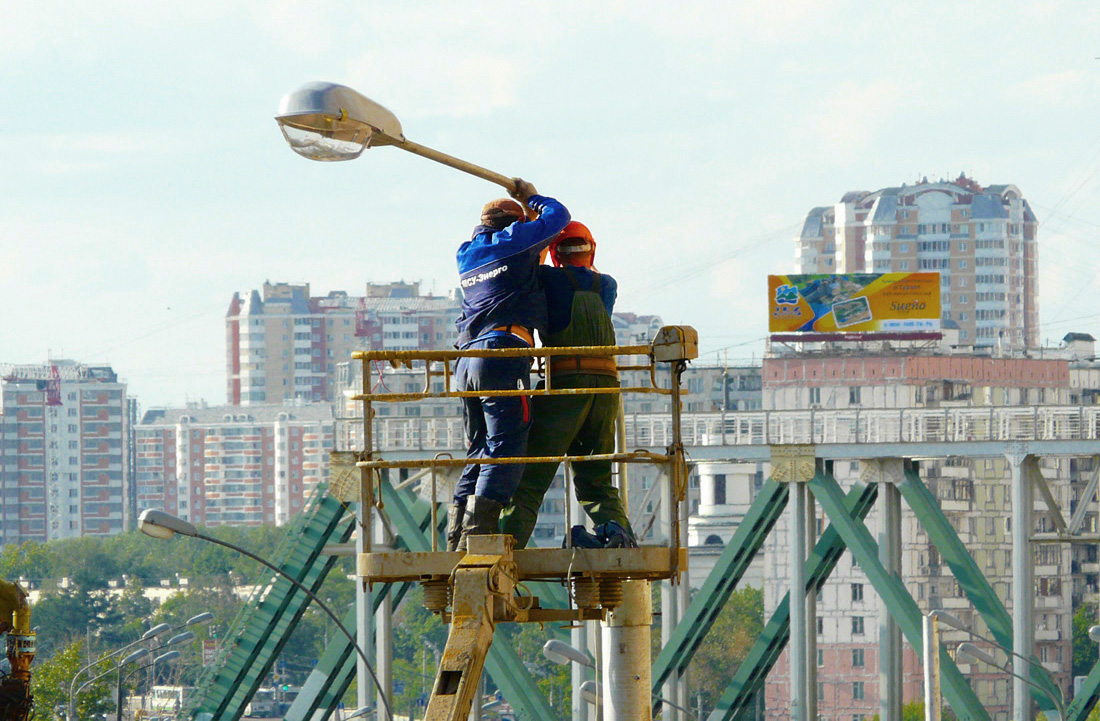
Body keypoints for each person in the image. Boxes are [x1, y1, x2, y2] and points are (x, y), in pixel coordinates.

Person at [448, 179, 571, 551]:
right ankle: (480, 533)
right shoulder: (513, 241)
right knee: (508, 444)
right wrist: (531, 197)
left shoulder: (467, 252)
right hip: (501, 354)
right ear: (512, 225)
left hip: (467, 361)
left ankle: (457, 533)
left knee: (479, 446)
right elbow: (560, 216)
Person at [499, 221, 636, 548]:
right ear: (592, 250)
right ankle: (618, 535)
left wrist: (542, 241)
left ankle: (504, 545)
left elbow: (529, 266)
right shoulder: (608, 285)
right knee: (597, 480)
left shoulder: (547, 279)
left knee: (530, 477)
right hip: (606, 389)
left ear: (556, 255)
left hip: (566, 386)